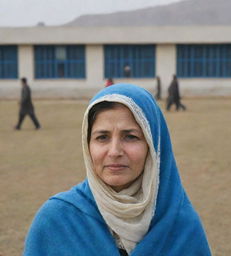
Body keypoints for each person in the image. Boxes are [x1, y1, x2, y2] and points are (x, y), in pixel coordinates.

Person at [23, 84, 211, 256]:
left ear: (153, 147)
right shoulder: (57, 221)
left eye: (130, 137)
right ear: (87, 145)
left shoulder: (181, 226)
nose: (114, 152)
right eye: (102, 137)